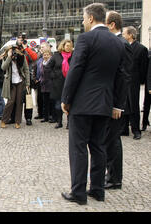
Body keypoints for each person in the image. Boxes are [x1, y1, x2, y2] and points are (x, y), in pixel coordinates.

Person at [60, 3, 124, 205]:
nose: (82, 21)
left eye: (83, 18)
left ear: (90, 18)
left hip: (83, 103)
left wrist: (66, 98)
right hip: (104, 104)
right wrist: (117, 105)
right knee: (98, 147)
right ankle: (97, 190)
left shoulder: (86, 38)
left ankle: (78, 193)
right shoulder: (118, 42)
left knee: (78, 148)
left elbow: (75, 70)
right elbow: (122, 76)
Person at [104, 11, 133, 191]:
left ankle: (115, 179)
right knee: (109, 139)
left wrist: (118, 105)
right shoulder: (116, 42)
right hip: (110, 100)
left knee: (113, 139)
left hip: (116, 103)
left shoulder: (122, 44)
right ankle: (111, 175)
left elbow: (124, 77)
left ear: (112, 24)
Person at [122, 26, 149, 140]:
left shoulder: (141, 49)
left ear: (130, 35)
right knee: (123, 105)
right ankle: (123, 129)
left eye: (124, 33)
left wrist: (140, 80)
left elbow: (144, 68)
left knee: (133, 105)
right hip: (123, 81)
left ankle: (136, 130)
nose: (123, 35)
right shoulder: (122, 46)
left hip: (134, 81)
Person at [0, 45, 30, 129]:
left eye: (14, 50)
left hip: (20, 81)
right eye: (11, 50)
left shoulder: (21, 57)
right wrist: (9, 57)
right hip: (11, 82)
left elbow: (26, 70)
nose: (14, 52)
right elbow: (3, 67)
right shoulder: (6, 57)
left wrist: (28, 83)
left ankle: (18, 122)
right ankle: (4, 120)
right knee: (11, 101)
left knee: (19, 102)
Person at [46, 39, 74, 129]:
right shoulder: (56, 55)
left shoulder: (73, 56)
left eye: (70, 46)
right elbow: (47, 67)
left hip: (70, 83)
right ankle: (59, 121)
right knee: (58, 104)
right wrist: (53, 75)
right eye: (67, 46)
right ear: (63, 46)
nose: (69, 48)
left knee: (70, 103)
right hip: (58, 83)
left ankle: (69, 122)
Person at [36, 49, 53, 122]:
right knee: (44, 101)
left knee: (51, 101)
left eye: (47, 55)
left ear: (50, 55)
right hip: (43, 83)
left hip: (50, 83)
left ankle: (51, 116)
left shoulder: (51, 62)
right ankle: (45, 116)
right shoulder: (41, 63)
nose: (45, 56)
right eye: (44, 55)